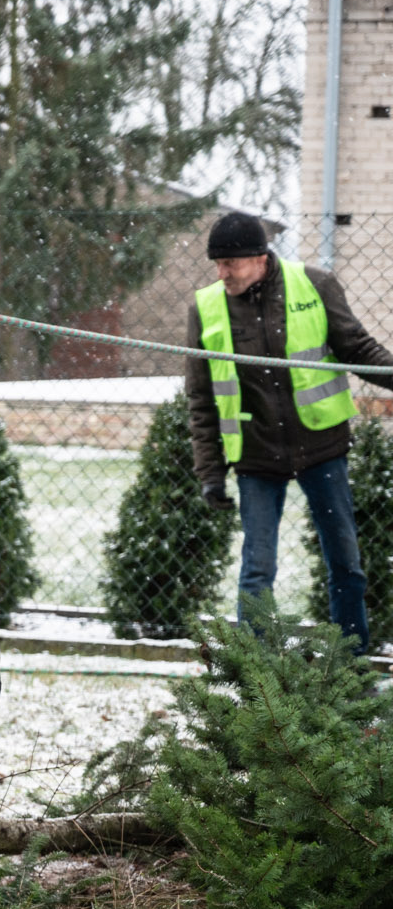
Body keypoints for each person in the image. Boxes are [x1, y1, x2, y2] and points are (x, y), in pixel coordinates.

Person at [188, 210, 393, 650]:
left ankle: (351, 662)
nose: (222, 274)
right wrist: (210, 473)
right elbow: (201, 399)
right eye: (218, 264)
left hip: (322, 448)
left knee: (346, 563)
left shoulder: (315, 284)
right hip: (256, 456)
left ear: (260, 258)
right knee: (257, 570)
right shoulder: (205, 308)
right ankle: (255, 668)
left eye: (230, 264)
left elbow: (357, 348)